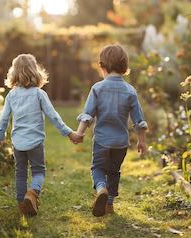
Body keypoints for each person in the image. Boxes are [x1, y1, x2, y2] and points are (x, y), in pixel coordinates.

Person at [0, 54, 83, 216]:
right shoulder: (39, 94)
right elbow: (53, 116)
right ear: (35, 71)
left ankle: (22, 204)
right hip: (35, 142)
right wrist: (69, 133)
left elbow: (4, 117)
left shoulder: (11, 96)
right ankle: (32, 193)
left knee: (20, 172)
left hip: (18, 143)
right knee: (39, 172)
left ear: (14, 73)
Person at [75, 44, 148, 217]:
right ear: (124, 66)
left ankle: (101, 189)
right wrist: (142, 141)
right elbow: (139, 121)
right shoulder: (130, 91)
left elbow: (88, 115)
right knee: (114, 171)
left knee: (98, 168)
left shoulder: (97, 88)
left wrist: (79, 133)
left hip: (101, 141)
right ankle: (109, 204)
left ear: (102, 66)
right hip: (120, 143)